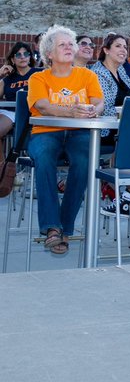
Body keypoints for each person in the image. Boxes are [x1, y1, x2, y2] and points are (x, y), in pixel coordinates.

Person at [26, 26, 104, 255]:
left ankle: (65, 227)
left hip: (80, 132)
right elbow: (42, 105)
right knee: (44, 158)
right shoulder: (38, 77)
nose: (69, 47)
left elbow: (98, 101)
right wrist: (72, 111)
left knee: (85, 162)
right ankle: (52, 227)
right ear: (49, 54)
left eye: (71, 43)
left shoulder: (88, 75)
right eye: (62, 44)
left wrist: (94, 111)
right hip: (45, 131)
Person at [1, 41, 38, 147]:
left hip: (34, 112)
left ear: (30, 57)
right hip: (11, 112)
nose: (23, 57)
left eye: (26, 54)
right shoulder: (7, 79)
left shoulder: (39, 73)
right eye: (18, 54)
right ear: (12, 59)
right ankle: (4, 163)